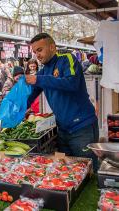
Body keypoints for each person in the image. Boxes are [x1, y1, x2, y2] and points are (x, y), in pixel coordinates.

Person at [26, 33, 98, 171]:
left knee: (89, 171)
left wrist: (38, 80)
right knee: (67, 170)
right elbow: (30, 95)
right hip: (62, 130)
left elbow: (72, 83)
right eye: (35, 52)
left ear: (52, 47)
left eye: (40, 50)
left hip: (82, 127)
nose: (37, 55)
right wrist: (17, 108)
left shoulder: (67, 58)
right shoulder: (42, 72)